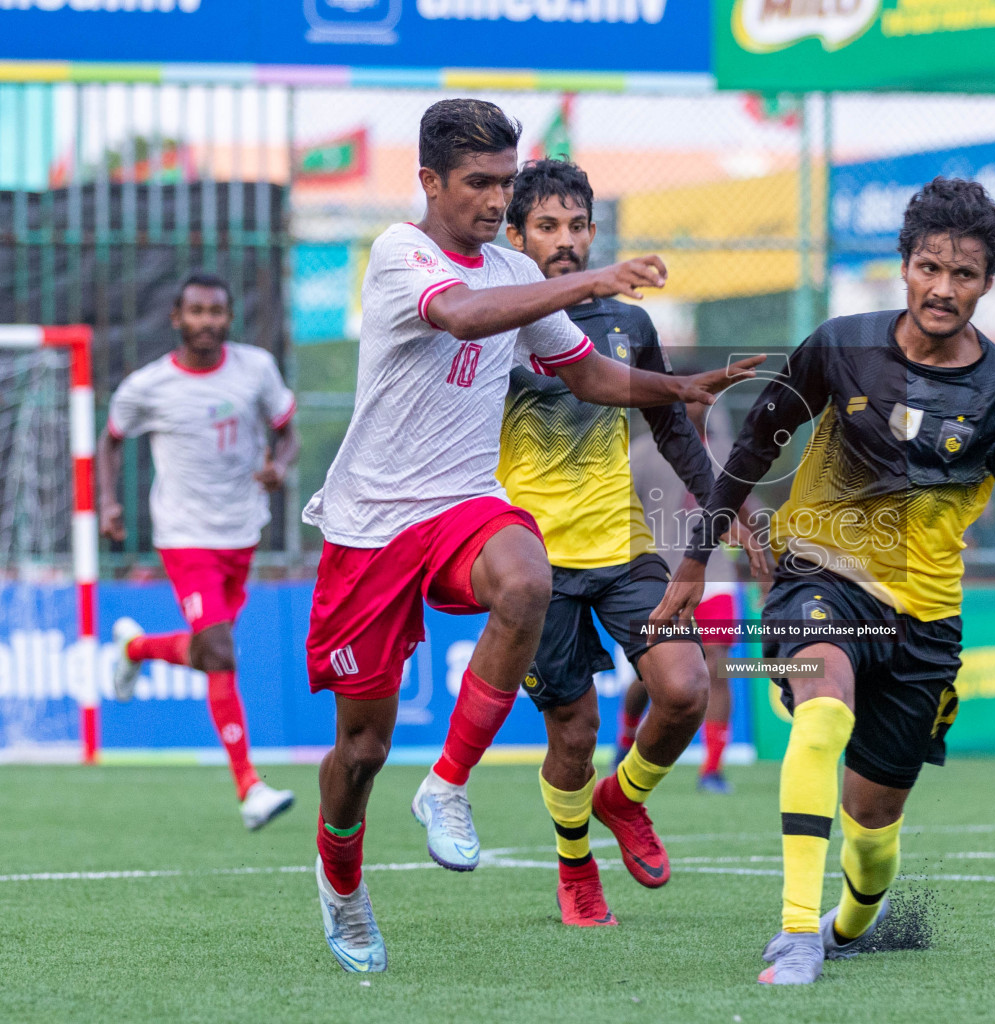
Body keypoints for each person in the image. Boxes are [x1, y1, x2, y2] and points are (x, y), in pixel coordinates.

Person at [303, 100, 758, 973]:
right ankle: (343, 883)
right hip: (371, 526)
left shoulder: (514, 265)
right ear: (431, 182)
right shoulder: (403, 254)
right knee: (360, 750)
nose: (493, 197)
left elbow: (582, 371)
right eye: (480, 183)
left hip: (465, 505)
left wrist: (676, 389)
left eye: (504, 181)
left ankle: (449, 788)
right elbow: (467, 317)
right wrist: (592, 281)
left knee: (524, 577)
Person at [652, 177, 995, 986]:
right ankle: (798, 933)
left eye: (963, 274)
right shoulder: (840, 346)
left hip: (924, 624)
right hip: (816, 573)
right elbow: (757, 445)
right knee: (822, 709)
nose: (943, 288)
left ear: (987, 283)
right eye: (929, 267)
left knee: (873, 828)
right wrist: (695, 556)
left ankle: (850, 920)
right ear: (904, 266)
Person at [409, 158, 765, 927]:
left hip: (624, 545)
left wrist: (725, 505)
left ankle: (622, 798)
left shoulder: (628, 326)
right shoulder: (494, 323)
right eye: (547, 227)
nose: (564, 242)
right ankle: (575, 866)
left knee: (684, 688)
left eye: (577, 228)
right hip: (531, 561)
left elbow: (671, 426)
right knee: (574, 731)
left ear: (595, 233)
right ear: (516, 235)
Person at [98, 272, 299, 832]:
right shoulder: (148, 386)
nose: (207, 321)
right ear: (176, 319)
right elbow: (111, 439)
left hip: (242, 531)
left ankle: (136, 648)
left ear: (228, 318)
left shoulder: (255, 368)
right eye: (197, 312)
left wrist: (279, 467)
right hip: (185, 536)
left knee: (211, 651)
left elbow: (287, 430)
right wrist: (108, 503)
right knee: (220, 649)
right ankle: (249, 787)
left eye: (216, 311)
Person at [624, 400, 765, 795]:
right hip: (661, 578)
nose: (699, 405)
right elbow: (619, 512)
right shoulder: (641, 453)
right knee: (650, 672)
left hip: (715, 576)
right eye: (690, 397)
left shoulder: (724, 453)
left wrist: (761, 557)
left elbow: (745, 506)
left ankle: (712, 768)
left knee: (716, 666)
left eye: (706, 398)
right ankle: (625, 741)